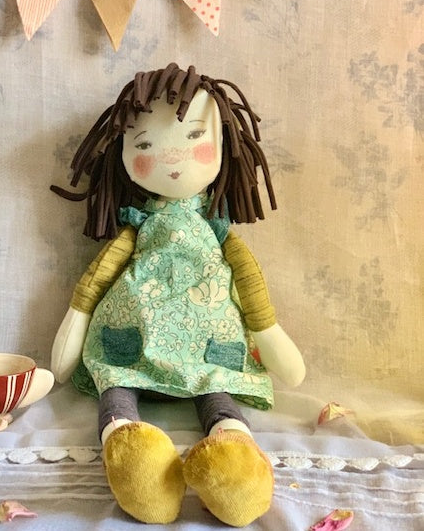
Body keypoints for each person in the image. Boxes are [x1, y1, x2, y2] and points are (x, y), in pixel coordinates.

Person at [51, 63, 305, 527]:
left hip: (206, 349)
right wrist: (76, 319)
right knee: (117, 386)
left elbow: (250, 284)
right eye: (145, 145)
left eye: (193, 137)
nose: (172, 157)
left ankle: (233, 458)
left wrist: (268, 331)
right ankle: (132, 454)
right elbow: (95, 280)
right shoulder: (138, 225)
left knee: (216, 393)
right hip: (133, 341)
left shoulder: (217, 228)